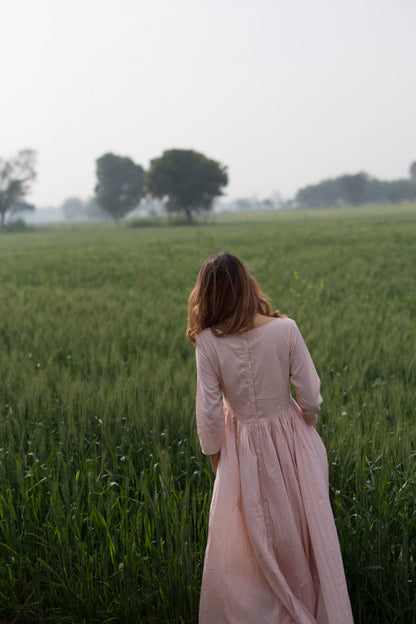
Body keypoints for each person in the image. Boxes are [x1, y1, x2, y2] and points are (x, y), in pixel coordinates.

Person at [187, 252, 354, 624]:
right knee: (301, 531)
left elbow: (209, 415)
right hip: (293, 441)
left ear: (208, 294)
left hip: (239, 447)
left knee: (248, 545)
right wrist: (304, 426)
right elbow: (309, 396)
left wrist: (218, 462)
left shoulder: (208, 343)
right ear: (247, 285)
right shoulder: (286, 329)